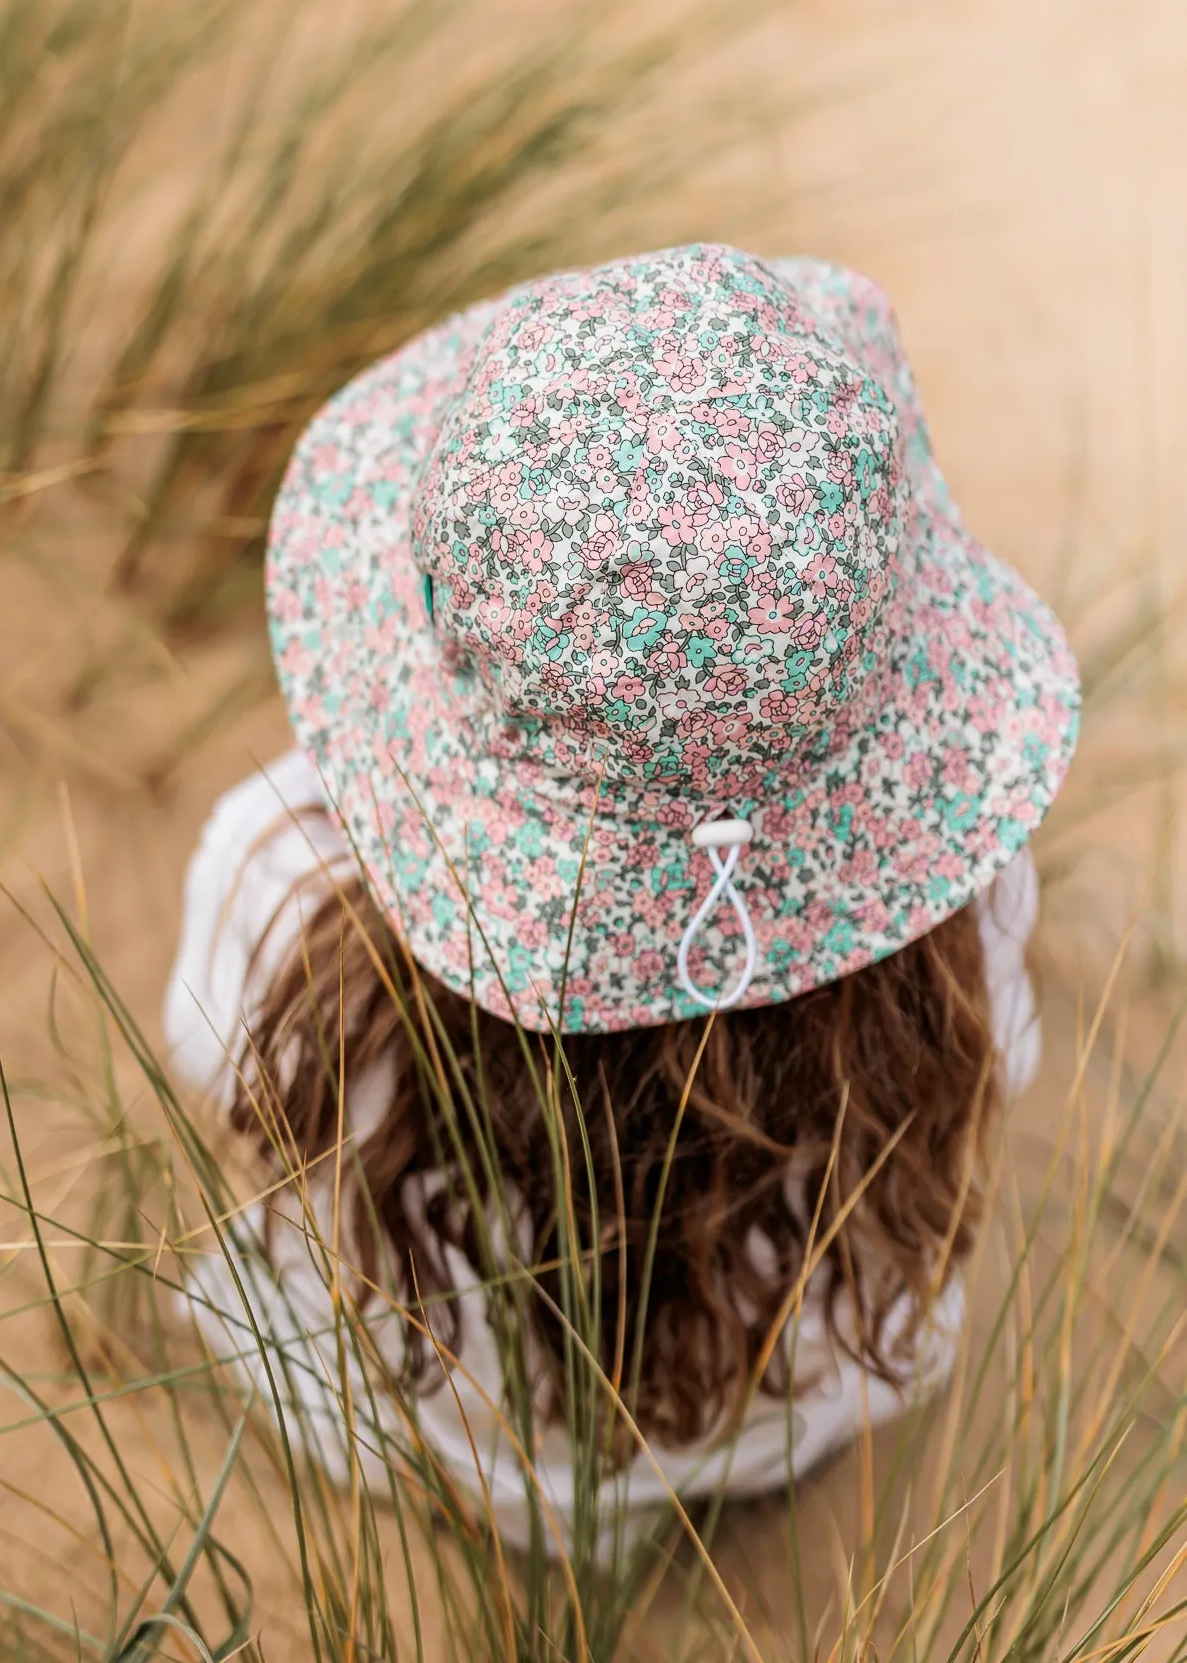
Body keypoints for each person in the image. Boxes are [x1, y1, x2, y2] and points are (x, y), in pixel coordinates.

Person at [165, 244, 1079, 1556]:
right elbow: (1015, 1054)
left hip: (434, 1421)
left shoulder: (275, 883)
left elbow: (213, 1055)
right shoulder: (964, 942)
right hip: (785, 1413)